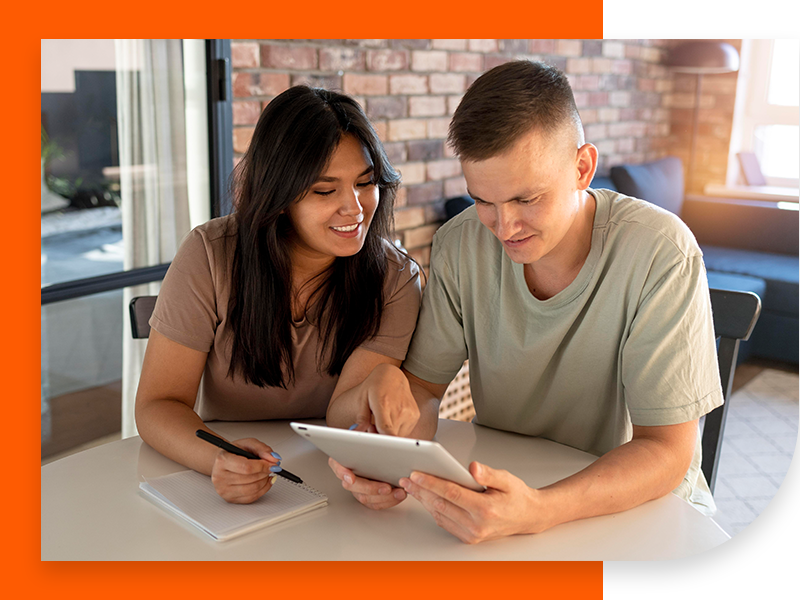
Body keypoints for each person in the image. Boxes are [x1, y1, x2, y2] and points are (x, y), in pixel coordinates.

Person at [329, 60, 724, 542]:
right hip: (514, 487)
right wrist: (387, 451)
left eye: (526, 199)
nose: (503, 227)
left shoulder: (661, 251)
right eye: (483, 201)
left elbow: (666, 451)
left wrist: (540, 510)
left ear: (582, 168)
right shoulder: (460, 243)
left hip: (641, 512)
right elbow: (425, 390)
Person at [135, 85, 425, 505]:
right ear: (280, 195)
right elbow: (158, 404)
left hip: (327, 475)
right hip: (223, 462)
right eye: (325, 191)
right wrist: (218, 457)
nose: (356, 208)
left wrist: (374, 388)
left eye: (366, 182)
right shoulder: (209, 254)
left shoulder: (395, 278)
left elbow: (341, 416)